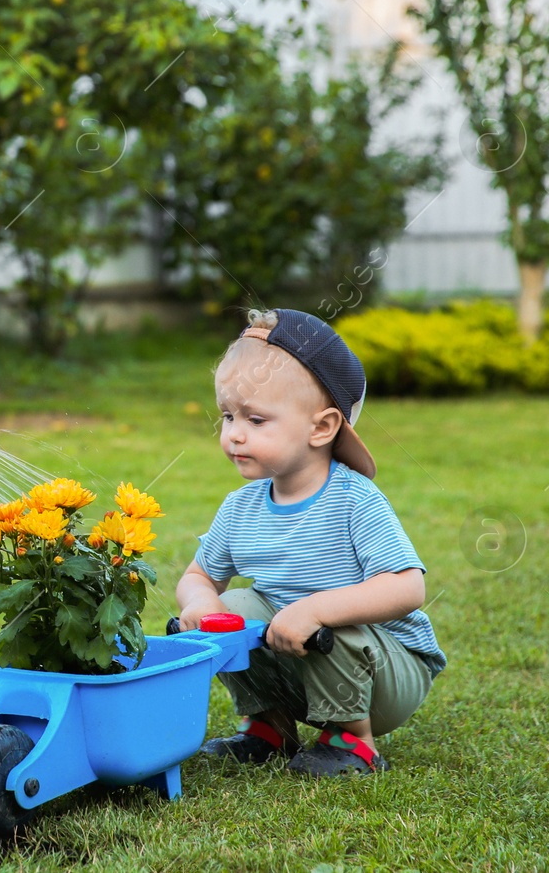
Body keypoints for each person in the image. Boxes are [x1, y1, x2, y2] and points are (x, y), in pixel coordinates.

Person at [173, 308, 446, 776]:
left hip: (386, 671)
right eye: (227, 415)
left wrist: (316, 609)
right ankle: (269, 728)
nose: (235, 433)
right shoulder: (241, 507)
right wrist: (199, 602)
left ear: (321, 428)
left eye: (256, 420)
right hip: (299, 661)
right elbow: (199, 575)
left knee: (330, 617)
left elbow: (407, 589)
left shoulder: (354, 499)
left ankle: (352, 740)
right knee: (233, 604)